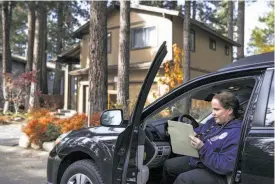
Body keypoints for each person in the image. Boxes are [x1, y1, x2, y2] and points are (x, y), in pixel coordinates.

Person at [162, 91, 244, 184]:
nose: (213, 113)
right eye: (212, 109)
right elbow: (200, 130)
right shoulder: (213, 121)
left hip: (218, 173)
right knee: (168, 166)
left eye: (216, 110)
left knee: (183, 179)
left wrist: (202, 148)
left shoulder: (236, 132)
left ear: (229, 110)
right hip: (201, 161)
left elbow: (225, 165)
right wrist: (192, 133)